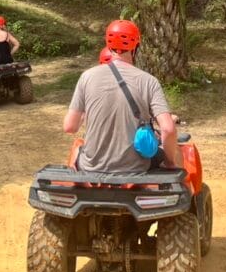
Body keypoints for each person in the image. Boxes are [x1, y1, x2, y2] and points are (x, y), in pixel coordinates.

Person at [63, 19, 182, 174]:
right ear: (136, 46)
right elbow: (168, 129)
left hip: (91, 167)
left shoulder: (87, 77)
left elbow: (69, 127)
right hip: (136, 167)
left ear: (108, 44)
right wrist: (170, 162)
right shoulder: (148, 81)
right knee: (180, 154)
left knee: (78, 149)